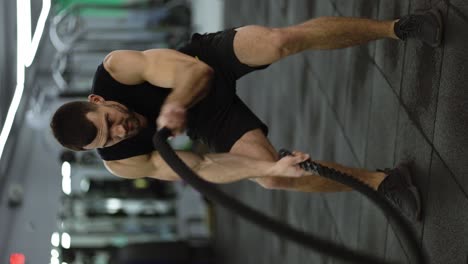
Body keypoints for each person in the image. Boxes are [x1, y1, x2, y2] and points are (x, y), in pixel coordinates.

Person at [50, 9, 443, 222]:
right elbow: (200, 165)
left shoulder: (117, 68)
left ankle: (397, 28)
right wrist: (264, 169)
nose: (121, 130)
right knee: (272, 178)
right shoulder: (123, 162)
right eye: (111, 138)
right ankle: (382, 183)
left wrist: (174, 105)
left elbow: (197, 74)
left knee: (279, 42)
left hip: (202, 63)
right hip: (209, 119)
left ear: (98, 99)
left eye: (110, 122)